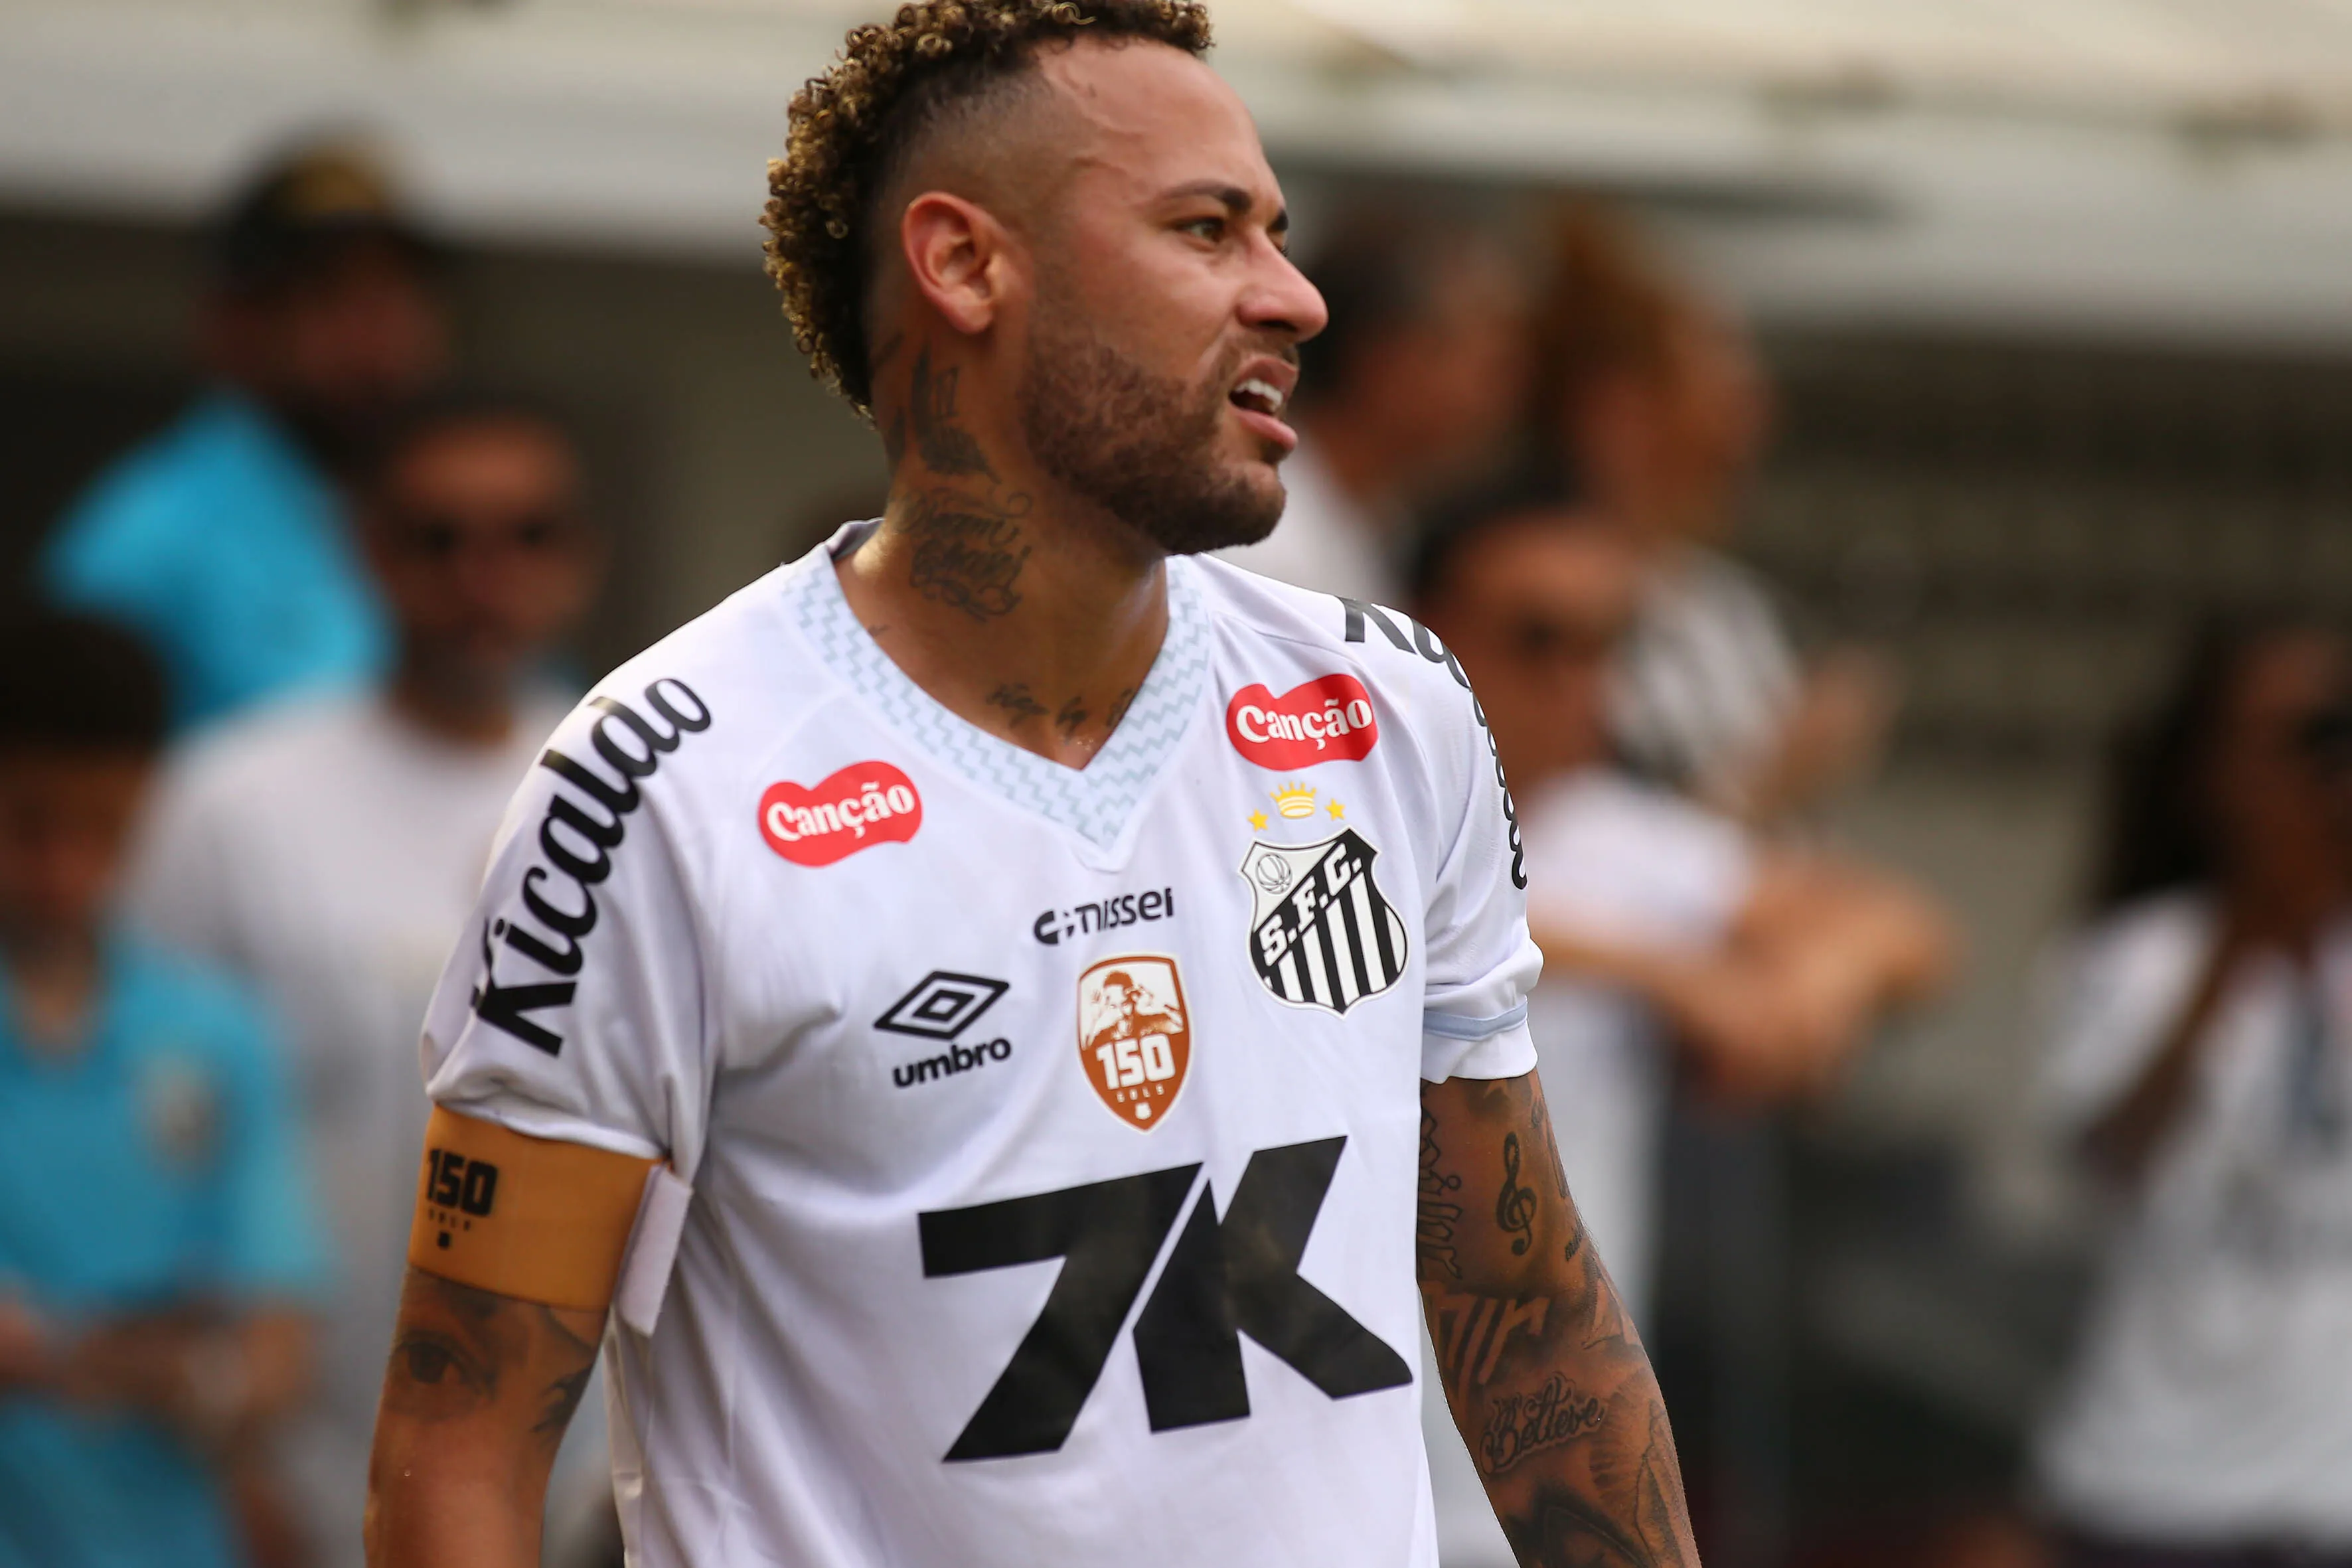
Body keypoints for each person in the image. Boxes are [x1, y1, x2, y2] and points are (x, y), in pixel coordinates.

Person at [364, 5, 1700, 1567]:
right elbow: (456, 1445)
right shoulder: (656, 786)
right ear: (965, 263)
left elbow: (1529, 1325)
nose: (1295, 296)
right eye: (1207, 229)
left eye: (1276, 233)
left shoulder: (1382, 714)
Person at [1409, 480, 1950, 1565]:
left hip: (1543, 1468)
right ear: (1424, 632)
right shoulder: (1323, 804)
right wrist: (1666, 973)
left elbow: (1906, 931)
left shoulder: (1611, 833)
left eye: (1605, 645)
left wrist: (1802, 996)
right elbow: (1394, 935)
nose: (1579, 680)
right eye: (1537, 637)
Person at [125, 396, 603, 1567]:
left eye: (525, 534)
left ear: (581, 559)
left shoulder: (630, 794)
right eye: (439, 537)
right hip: (279, 1486)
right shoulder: (230, 802)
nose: (483, 575)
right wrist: (233, 1464)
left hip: (576, 1494)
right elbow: (157, 1131)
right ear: (367, 553)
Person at [0, 611, 327, 1568]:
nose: (64, 866)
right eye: (27, 825)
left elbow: (274, 1354)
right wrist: (164, 1358)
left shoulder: (215, 1034)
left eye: (103, 829)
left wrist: (60, 1352)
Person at [2033, 622, 2352, 1568]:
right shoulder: (2128, 962)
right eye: (2280, 743)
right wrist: (2239, 950)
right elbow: (2105, 1158)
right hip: (2152, 1487)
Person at [42, 143, 451, 731]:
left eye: (398, 292)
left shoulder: (456, 513)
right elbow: (68, 791)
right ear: (232, 323)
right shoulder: (145, 538)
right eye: (332, 297)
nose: (378, 332)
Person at [1537, 202, 1889, 827]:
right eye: (1721, 406)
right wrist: (1771, 780)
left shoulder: (1727, 609)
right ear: (1621, 412)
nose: (1749, 433)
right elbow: (1562, 848)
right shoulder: (1535, 610)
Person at [1219, 212, 1531, 606]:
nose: (1505, 391)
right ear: (1385, 360)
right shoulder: (1264, 542)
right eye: (1488, 363)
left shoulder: (1385, 522)